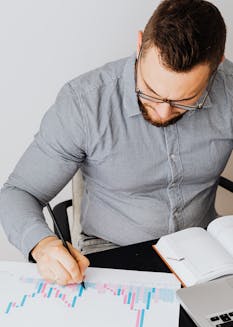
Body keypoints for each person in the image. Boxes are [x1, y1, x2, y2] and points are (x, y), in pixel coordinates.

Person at [0, 0, 231, 286]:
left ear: (217, 65)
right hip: (112, 254)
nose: (162, 112)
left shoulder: (230, 89)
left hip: (205, 252)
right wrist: (42, 244)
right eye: (151, 91)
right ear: (139, 44)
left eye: (184, 102)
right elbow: (18, 192)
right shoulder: (84, 104)